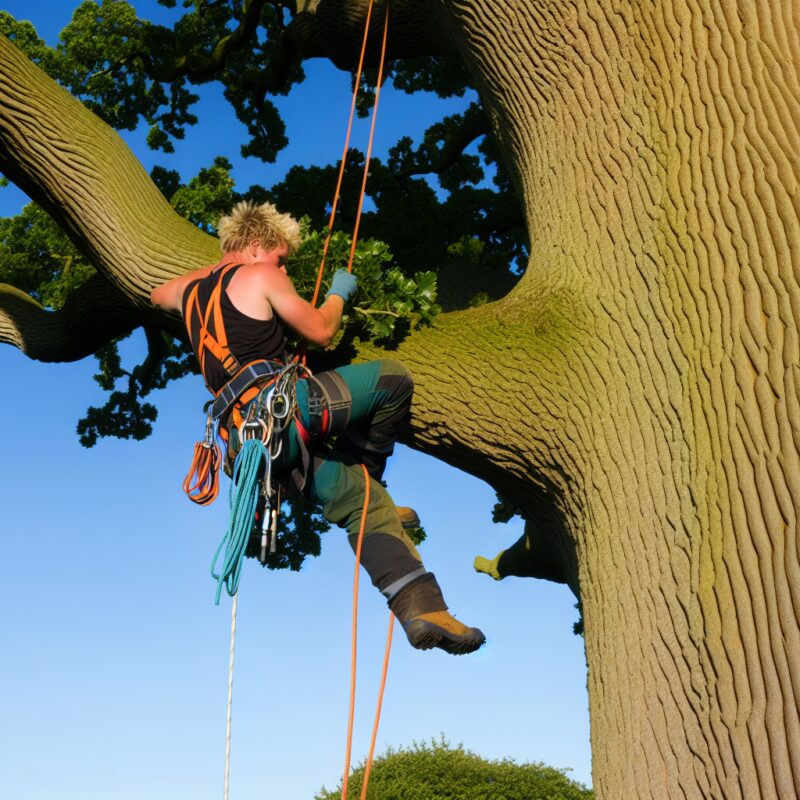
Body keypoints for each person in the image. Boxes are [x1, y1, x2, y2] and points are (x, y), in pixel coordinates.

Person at [151, 201, 485, 655]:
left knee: (358, 502)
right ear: (255, 247)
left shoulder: (190, 291)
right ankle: (372, 471)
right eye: (281, 257)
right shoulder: (261, 274)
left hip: (244, 449)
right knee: (392, 380)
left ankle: (421, 608)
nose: (283, 267)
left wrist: (216, 267)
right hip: (282, 413)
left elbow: (158, 294)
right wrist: (338, 293)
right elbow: (322, 331)